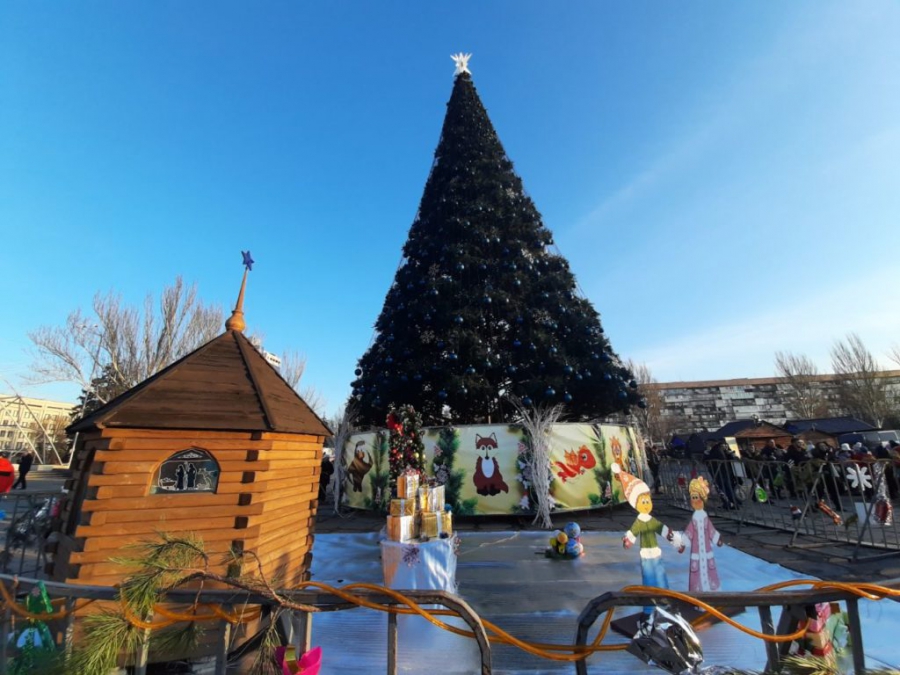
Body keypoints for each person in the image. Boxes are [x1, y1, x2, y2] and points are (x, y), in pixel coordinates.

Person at [614, 462, 679, 620]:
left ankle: (665, 601)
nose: (646, 504)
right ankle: (650, 607)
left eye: (648, 500)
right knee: (649, 578)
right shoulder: (640, 521)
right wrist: (628, 540)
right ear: (637, 504)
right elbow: (633, 532)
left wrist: (676, 541)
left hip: (655, 553)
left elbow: (662, 529)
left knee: (660, 575)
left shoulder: (651, 520)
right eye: (643, 501)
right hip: (646, 554)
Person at [678, 476, 723, 592]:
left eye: (696, 497)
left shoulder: (705, 517)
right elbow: (689, 532)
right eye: (692, 498)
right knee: (697, 573)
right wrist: (683, 544)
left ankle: (712, 591)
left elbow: (711, 531)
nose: (693, 500)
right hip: (697, 553)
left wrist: (717, 539)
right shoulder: (694, 519)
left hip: (706, 552)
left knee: (709, 570)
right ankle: (698, 592)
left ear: (702, 499)